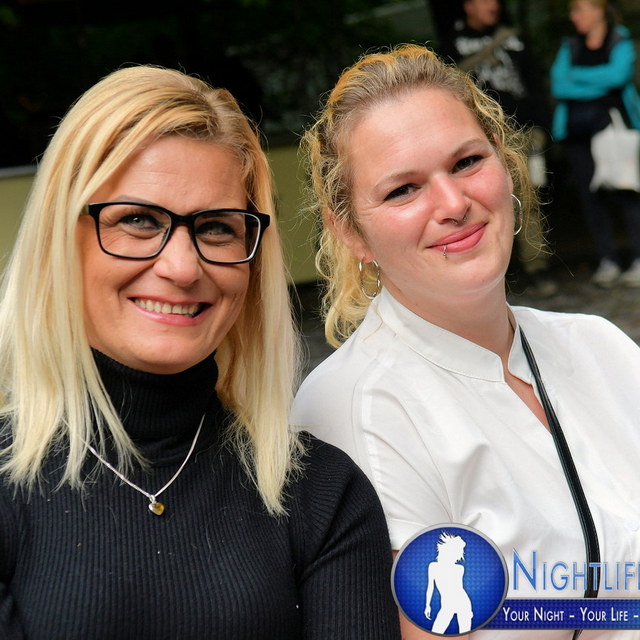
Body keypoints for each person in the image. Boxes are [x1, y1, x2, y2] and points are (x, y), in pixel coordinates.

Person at [0, 65, 401, 639]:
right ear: (61, 238)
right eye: (139, 220)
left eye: (216, 228)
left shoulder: (320, 494)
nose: (183, 267)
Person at [292, 44, 640, 639]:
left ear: (505, 162)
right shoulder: (357, 409)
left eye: (467, 162)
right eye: (403, 189)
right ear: (350, 230)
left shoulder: (599, 346)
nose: (453, 204)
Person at [440, 0, 557, 298]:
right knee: (478, 206)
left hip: (523, 133)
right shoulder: (452, 45)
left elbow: (534, 83)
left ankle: (536, 268)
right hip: (479, 139)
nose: (492, 5)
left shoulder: (513, 38)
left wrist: (542, 128)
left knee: (527, 201)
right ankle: (492, 275)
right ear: (468, 6)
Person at [551, 0, 640, 287]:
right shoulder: (570, 46)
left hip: (615, 130)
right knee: (591, 197)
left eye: (578, 10)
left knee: (627, 190)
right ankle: (607, 260)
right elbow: (558, 84)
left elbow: (619, 76)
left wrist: (577, 76)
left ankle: (638, 258)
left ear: (598, 10)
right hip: (577, 134)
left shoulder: (620, 40)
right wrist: (599, 82)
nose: (573, 16)